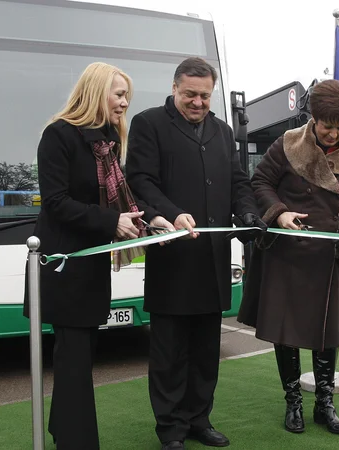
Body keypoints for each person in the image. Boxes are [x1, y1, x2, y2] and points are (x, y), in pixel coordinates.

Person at [126, 57, 265, 450]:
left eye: (205, 95)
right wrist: (169, 213)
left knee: (206, 353)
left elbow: (238, 181)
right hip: (172, 261)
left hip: (214, 261)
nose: (198, 102)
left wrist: (249, 213)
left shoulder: (222, 132)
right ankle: (170, 430)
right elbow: (140, 180)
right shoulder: (148, 123)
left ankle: (198, 420)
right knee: (169, 354)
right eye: (190, 94)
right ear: (174, 89)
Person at [22, 62, 149, 449]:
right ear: (96, 92)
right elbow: (57, 203)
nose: (126, 103)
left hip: (91, 267)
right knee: (74, 362)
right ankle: (77, 442)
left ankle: (66, 435)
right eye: (119, 94)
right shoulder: (58, 135)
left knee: (77, 362)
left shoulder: (109, 141)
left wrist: (149, 221)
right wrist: (112, 222)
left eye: (127, 95)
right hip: (63, 269)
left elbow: (119, 200)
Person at [237, 79, 339, 436]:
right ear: (313, 118)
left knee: (327, 332)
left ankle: (324, 404)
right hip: (288, 254)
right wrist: (279, 213)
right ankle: (293, 402)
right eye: (328, 125)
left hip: (328, 258)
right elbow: (260, 183)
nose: (333, 133)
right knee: (288, 331)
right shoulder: (287, 145)